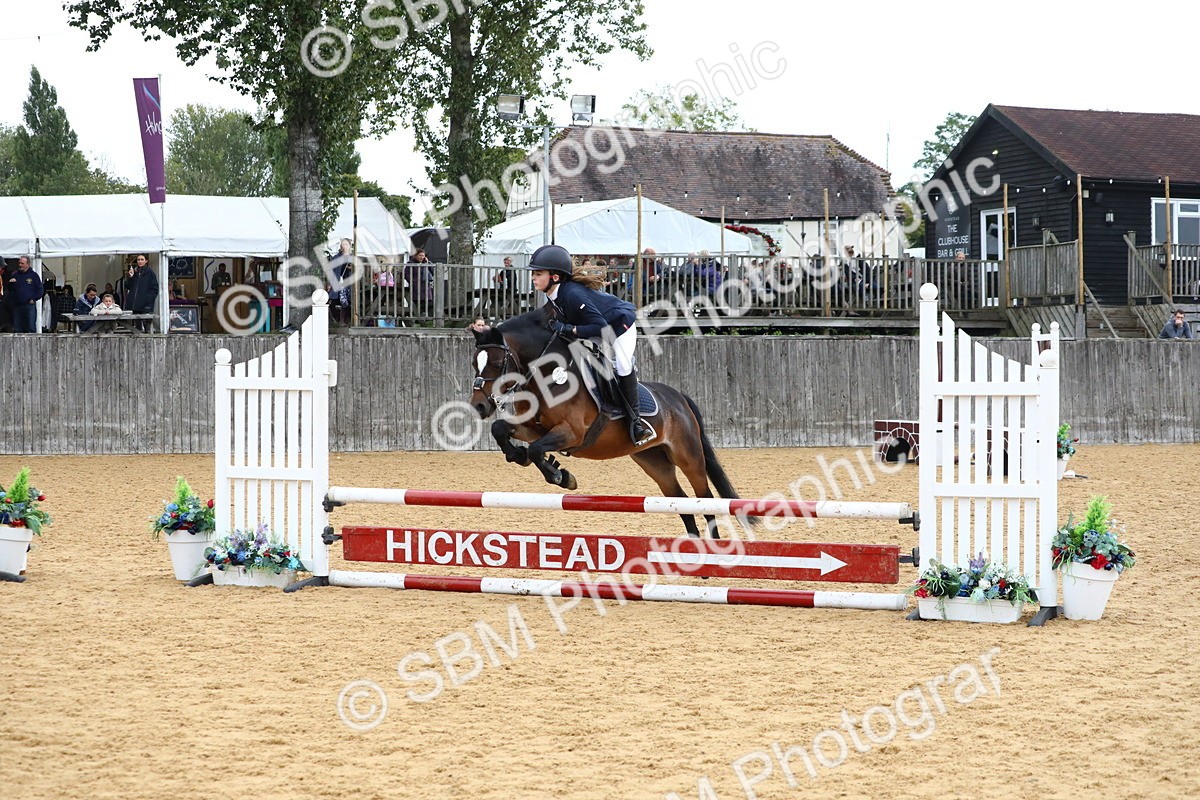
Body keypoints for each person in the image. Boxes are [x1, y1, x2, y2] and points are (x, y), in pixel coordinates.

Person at [525, 244, 655, 446]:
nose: (533, 277)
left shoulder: (572, 295)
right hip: (596, 328)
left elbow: (600, 326)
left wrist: (569, 329)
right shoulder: (553, 297)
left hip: (619, 326)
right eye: (534, 273)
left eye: (538, 273)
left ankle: (636, 423)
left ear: (555, 277)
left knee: (622, 365)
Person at [6, 256, 43, 333]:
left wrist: (34, 299)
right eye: (19, 263)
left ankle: (32, 345)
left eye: (22, 263)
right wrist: (10, 283)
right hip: (17, 306)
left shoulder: (34, 276)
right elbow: (9, 289)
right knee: (17, 329)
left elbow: (40, 290)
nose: (20, 265)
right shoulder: (15, 275)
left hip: (29, 305)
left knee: (31, 327)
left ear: (28, 264)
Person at [124, 253, 158, 331]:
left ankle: (148, 341)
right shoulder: (134, 272)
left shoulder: (150, 273)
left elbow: (155, 288)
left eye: (142, 259)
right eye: (138, 260)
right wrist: (131, 277)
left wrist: (148, 298)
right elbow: (128, 286)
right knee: (137, 326)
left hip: (146, 304)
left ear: (146, 261)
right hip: (136, 304)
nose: (140, 261)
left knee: (147, 325)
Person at [404, 249, 433, 313]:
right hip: (416, 287)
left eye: (423, 255)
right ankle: (415, 318)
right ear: (416, 255)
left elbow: (432, 272)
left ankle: (423, 318)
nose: (421, 257)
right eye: (420, 255)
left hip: (425, 286)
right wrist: (412, 281)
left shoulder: (426, 263)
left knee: (426, 303)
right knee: (415, 304)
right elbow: (406, 274)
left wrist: (427, 263)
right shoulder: (411, 263)